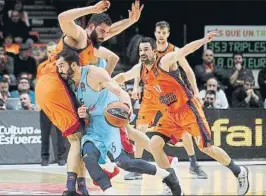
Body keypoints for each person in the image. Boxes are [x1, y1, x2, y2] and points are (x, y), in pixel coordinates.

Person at [113, 33, 250, 195]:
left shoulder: (164, 62)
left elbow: (185, 50)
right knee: (155, 144)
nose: (142, 53)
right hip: (171, 115)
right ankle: (171, 183)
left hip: (188, 109)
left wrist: (203, 40)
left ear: (154, 51)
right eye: (141, 50)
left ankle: (239, 171)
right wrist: (104, 83)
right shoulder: (140, 70)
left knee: (207, 148)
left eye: (146, 50)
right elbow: (123, 76)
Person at [35, 1, 144, 195]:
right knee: (78, 139)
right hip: (55, 84)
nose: (105, 35)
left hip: (48, 87)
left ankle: (81, 187)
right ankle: (71, 189)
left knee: (82, 135)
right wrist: (92, 9)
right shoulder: (80, 36)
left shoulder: (92, 41)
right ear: (91, 27)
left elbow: (110, 31)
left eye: (105, 32)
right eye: (101, 31)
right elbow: (62, 18)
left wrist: (130, 20)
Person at [56, 48, 183, 195]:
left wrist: (127, 108)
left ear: (72, 65)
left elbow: (119, 91)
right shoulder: (69, 85)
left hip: (111, 124)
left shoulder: (93, 73)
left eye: (61, 65)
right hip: (93, 128)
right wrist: (82, 113)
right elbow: (83, 110)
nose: (59, 70)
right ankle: (110, 191)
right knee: (89, 158)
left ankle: (167, 175)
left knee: (125, 163)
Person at [128, 21, 207, 180]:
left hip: (169, 95)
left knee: (183, 130)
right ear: (155, 33)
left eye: (164, 33)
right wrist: (136, 86)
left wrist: (196, 91)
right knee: (140, 128)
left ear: (168, 34)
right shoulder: (148, 48)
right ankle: (137, 167)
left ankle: (193, 163)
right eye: (158, 32)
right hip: (151, 94)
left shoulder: (173, 51)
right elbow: (139, 68)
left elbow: (188, 71)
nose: (161, 35)